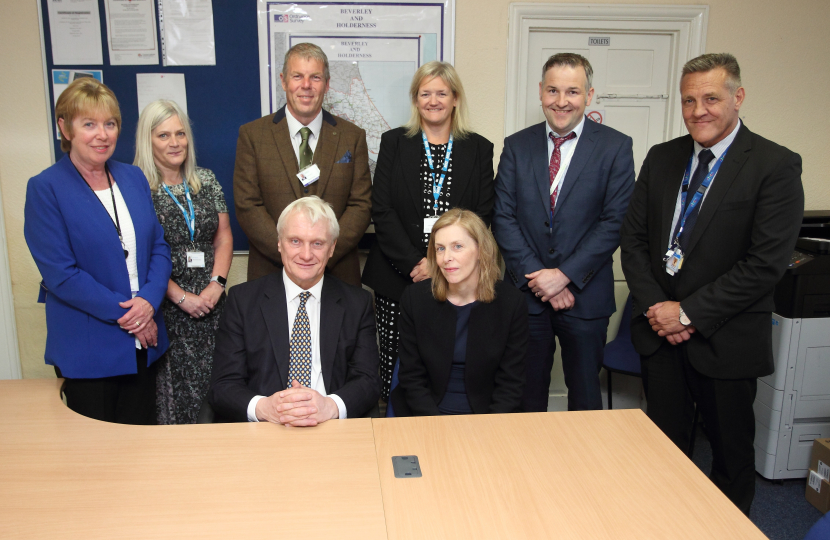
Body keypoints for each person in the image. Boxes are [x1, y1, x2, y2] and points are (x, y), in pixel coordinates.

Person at [620, 53, 804, 514]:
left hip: (727, 341)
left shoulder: (774, 165)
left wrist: (686, 313)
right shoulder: (663, 158)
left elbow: (764, 265)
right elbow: (634, 242)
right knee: (664, 456)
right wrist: (659, 310)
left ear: (738, 98)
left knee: (730, 462)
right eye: (688, 100)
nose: (698, 110)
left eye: (710, 98)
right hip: (662, 340)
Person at [492, 53, 635, 412]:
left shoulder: (616, 147)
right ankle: (528, 468)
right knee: (525, 395)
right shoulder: (516, 145)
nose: (561, 101)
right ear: (540, 92)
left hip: (585, 297)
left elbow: (614, 221)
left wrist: (564, 276)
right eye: (553, 90)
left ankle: (583, 468)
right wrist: (541, 280)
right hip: (527, 296)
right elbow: (503, 216)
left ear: (589, 96)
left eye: (572, 91)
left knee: (586, 396)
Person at [24, 78, 171, 424]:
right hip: (90, 346)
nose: (102, 135)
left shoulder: (133, 178)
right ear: (65, 127)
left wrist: (149, 301)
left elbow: (159, 248)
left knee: (141, 450)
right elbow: (61, 274)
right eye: (88, 124)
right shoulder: (46, 188)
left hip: (145, 342)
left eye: (110, 124)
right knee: (94, 461)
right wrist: (134, 318)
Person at [362, 61, 495, 401]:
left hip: (457, 277)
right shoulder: (394, 142)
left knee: (446, 358)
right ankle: (392, 421)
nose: (433, 100)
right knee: (394, 358)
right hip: (399, 275)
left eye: (441, 93)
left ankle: (442, 423)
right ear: (415, 99)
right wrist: (416, 263)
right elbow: (383, 210)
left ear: (455, 99)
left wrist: (442, 265)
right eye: (425, 93)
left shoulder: (479, 148)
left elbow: (482, 214)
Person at [209, 196, 381, 424]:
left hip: (330, 428)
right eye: (295, 241)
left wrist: (330, 406)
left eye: (318, 243)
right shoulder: (243, 301)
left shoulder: (357, 303)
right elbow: (223, 385)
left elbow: (368, 380)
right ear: (280, 243)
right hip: (264, 432)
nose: (306, 255)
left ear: (332, 248)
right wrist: (264, 408)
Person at [234, 42, 371, 286]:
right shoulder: (253, 136)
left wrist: (324, 252)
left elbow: (360, 205)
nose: (306, 85)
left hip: (336, 272)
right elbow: (247, 205)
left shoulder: (353, 136)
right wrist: (289, 253)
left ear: (327, 84)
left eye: (315, 77)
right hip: (270, 272)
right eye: (297, 76)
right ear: (284, 81)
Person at [134, 100, 233, 425]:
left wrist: (216, 286)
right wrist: (179, 297)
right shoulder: (136, 187)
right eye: (163, 135)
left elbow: (223, 237)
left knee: (221, 385)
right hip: (167, 308)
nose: (174, 142)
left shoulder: (205, 179)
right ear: (148, 141)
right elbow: (143, 255)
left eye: (180, 133)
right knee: (176, 396)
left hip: (213, 303)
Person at [390, 209, 526, 416]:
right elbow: (411, 377)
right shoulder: (415, 299)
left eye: (458, 247)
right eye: (440, 249)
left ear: (481, 250)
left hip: (488, 416)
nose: (446, 258)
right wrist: (437, 426)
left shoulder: (511, 303)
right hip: (424, 414)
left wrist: (491, 428)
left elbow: (511, 383)